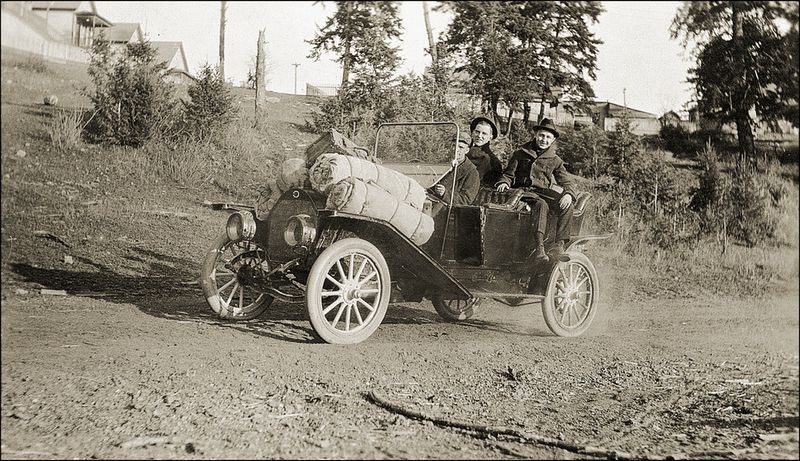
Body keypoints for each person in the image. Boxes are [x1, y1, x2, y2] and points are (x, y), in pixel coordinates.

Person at [495, 118, 575, 263]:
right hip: (523, 192)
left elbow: (565, 180)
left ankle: (559, 245)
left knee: (567, 204)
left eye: (548, 137)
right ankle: (539, 248)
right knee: (541, 204)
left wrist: (568, 194)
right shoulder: (520, 154)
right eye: (541, 135)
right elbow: (508, 174)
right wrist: (504, 182)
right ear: (536, 135)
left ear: (552, 140)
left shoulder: (555, 160)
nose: (543, 140)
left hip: (543, 191)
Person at [428, 135, 480, 216]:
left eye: (460, 147)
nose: (456, 150)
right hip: (430, 201)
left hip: (448, 212)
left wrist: (445, 193)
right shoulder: (441, 163)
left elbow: (465, 200)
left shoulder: (472, 172)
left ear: (467, 150)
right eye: (454, 146)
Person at [465, 116, 504, 188]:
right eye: (477, 132)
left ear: (490, 137)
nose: (479, 136)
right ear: (472, 133)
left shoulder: (491, 160)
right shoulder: (463, 151)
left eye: (484, 133)